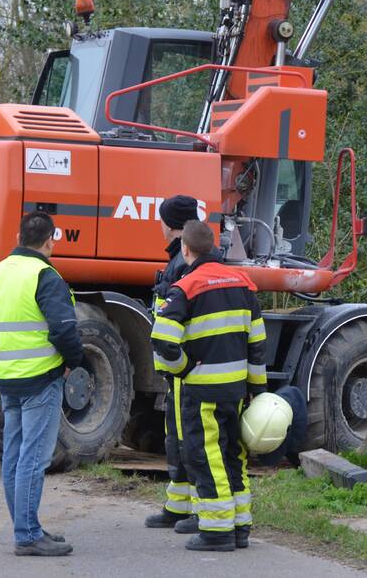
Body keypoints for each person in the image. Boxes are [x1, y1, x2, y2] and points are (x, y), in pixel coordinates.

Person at [151, 220, 268, 552]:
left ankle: (217, 531)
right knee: (234, 455)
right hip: (236, 391)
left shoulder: (186, 288)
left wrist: (184, 369)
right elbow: (258, 343)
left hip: (202, 392)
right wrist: (256, 389)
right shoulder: (244, 284)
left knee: (205, 457)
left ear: (186, 249)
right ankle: (240, 526)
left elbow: (163, 340)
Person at [0, 211, 83, 557]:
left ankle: (28, 527)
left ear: (18, 237)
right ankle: (27, 534)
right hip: (41, 379)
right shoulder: (45, 275)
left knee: (15, 456)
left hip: (8, 378)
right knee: (33, 459)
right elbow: (64, 328)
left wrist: (8, 359)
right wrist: (72, 362)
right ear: (50, 240)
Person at [145, 195, 202, 534]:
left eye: (162, 219)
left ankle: (197, 508)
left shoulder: (183, 263)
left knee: (191, 439)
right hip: (175, 367)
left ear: (171, 225)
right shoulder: (177, 260)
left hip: (184, 367)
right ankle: (178, 505)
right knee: (176, 437)